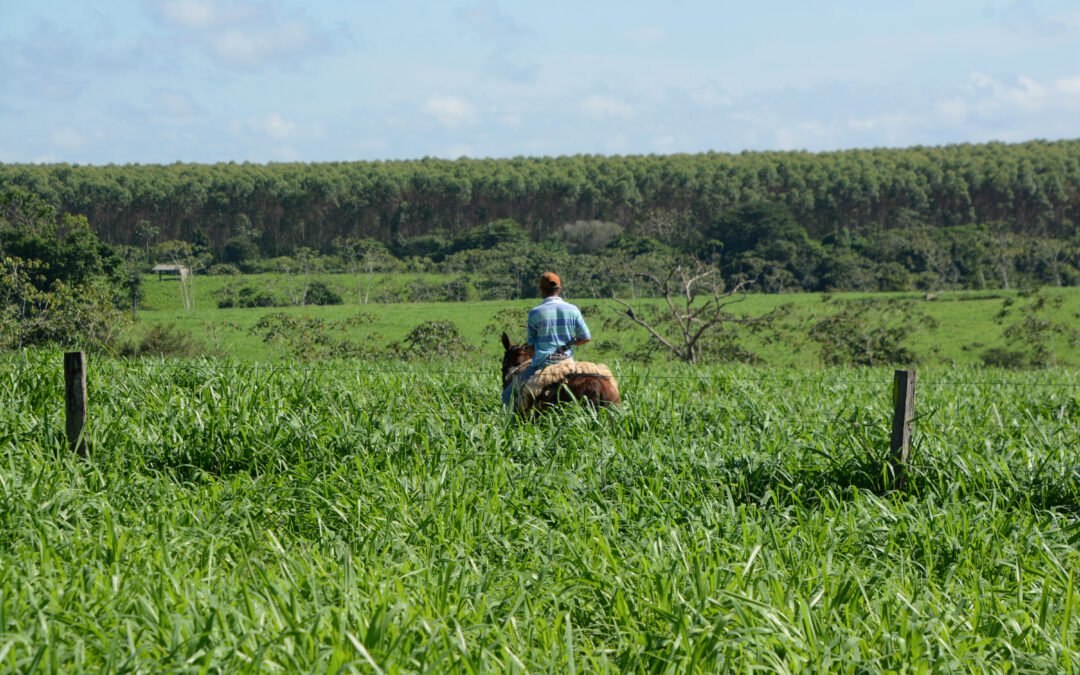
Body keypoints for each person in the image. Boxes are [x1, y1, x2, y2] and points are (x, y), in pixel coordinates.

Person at [502, 271, 591, 406]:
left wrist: (534, 357)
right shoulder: (573, 309)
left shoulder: (535, 312)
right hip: (568, 364)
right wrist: (570, 343)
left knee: (507, 395)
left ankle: (514, 426)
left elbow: (531, 349)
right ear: (559, 289)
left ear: (541, 290)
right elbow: (586, 337)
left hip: (543, 365)